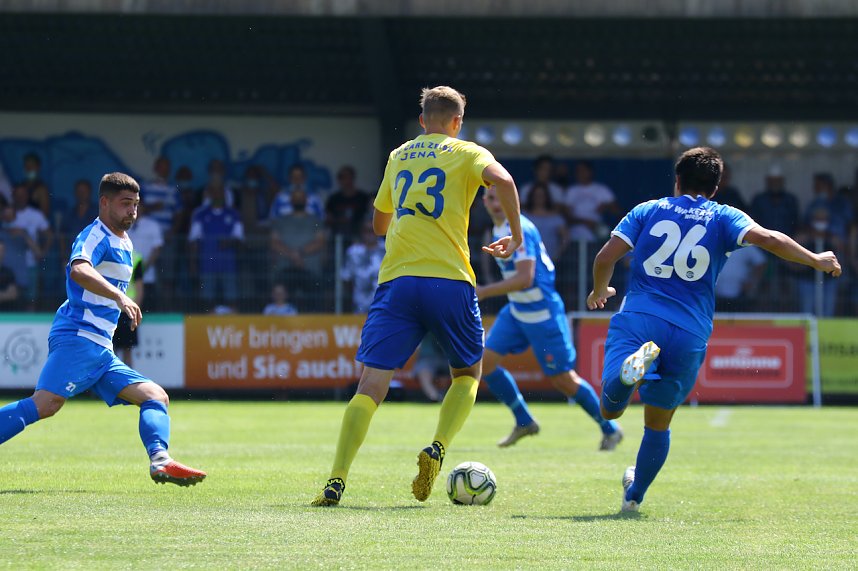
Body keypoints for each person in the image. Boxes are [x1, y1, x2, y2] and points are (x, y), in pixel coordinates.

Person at [586, 147, 840, 513]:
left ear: (677, 180)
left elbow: (605, 257)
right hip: (690, 331)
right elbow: (769, 239)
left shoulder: (648, 209)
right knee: (657, 423)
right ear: (716, 188)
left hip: (641, 317)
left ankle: (629, 376)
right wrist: (816, 259)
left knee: (610, 411)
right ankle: (634, 495)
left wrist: (598, 291)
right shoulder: (723, 216)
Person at [311, 85, 522, 506]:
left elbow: (378, 223)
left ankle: (336, 480)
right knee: (467, 375)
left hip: (398, 280)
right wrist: (515, 235)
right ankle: (439, 446)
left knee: (370, 386)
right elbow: (504, 180)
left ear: (422, 119)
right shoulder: (467, 152)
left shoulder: (399, 154)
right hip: (450, 280)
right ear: (457, 122)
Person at [0, 172, 206, 486]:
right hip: (79, 336)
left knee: (155, 396)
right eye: (125, 204)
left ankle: (160, 461)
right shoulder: (95, 234)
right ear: (104, 202)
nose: (132, 211)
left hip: (100, 347)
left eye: (135, 204)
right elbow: (79, 268)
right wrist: (121, 295)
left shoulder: (124, 242)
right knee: (44, 404)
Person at [478, 184, 622, 450]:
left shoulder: (518, 229)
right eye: (489, 197)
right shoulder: (499, 229)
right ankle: (524, 421)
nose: (494, 202)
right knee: (484, 364)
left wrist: (484, 291)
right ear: (484, 202)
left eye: (500, 197)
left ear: (512, 200)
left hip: (542, 313)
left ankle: (610, 428)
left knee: (563, 381)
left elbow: (525, 278)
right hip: (517, 310)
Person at [188, 181, 244, 312]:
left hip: (229, 264)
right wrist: (192, 263)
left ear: (225, 194)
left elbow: (240, 239)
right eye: (214, 192)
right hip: (207, 264)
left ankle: (233, 323)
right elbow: (193, 240)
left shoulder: (234, 214)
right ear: (209, 195)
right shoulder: (200, 215)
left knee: (232, 297)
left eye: (220, 192)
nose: (217, 195)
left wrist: (230, 242)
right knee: (208, 299)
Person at [564, 160, 621, 242]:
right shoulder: (572, 190)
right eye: (578, 171)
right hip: (575, 232)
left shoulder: (601, 189)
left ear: (590, 172)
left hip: (596, 232)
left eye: (584, 170)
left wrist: (606, 206)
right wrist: (585, 222)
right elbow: (566, 216)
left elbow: (617, 211)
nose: (581, 173)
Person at [340, 220, 385, 313]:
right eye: (366, 230)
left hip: (383, 305)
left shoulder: (386, 249)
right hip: (359, 305)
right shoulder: (353, 252)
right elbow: (346, 279)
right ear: (361, 232)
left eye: (372, 230)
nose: (369, 234)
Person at [521, 182, 568, 262]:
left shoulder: (556, 217)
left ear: (547, 197)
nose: (539, 198)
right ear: (531, 197)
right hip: (526, 259)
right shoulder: (523, 216)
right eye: (536, 195)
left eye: (542, 195)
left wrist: (558, 253)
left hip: (550, 259)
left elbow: (565, 237)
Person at [325, 165, 370, 245]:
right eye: (342, 177)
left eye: (348, 177)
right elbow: (328, 218)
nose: (346, 180)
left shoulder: (363, 198)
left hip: (360, 237)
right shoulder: (333, 199)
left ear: (353, 178)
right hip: (337, 238)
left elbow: (368, 218)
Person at [114, 252, 144, 366]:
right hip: (118, 310)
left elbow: (140, 290)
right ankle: (118, 382)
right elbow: (140, 290)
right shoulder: (135, 257)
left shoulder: (135, 258)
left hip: (125, 311)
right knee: (116, 351)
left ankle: (125, 382)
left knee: (124, 350)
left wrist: (134, 314)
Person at [0, 241, 20, 311]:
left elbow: (13, 294)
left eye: (2, 250)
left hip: (6, 312)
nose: (0, 253)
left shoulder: (8, 272)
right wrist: (5, 294)